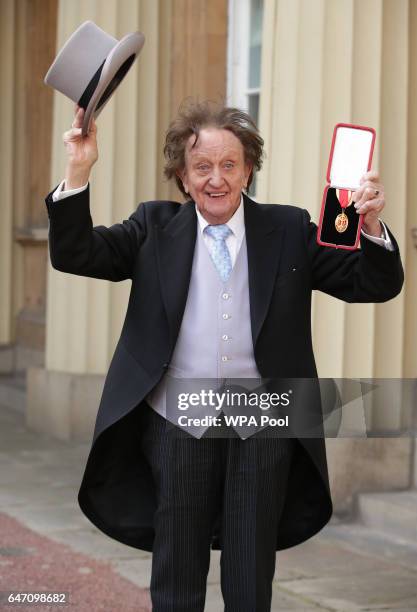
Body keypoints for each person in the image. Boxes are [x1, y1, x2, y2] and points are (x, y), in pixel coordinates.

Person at [44, 101, 404, 611]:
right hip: (176, 423)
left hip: (261, 426)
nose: (217, 179)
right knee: (177, 571)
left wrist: (368, 228)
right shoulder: (152, 226)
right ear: (183, 178)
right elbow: (74, 253)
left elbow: (371, 284)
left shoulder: (289, 228)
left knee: (250, 574)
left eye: (229, 165)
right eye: (202, 167)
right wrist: (78, 169)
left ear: (249, 169)